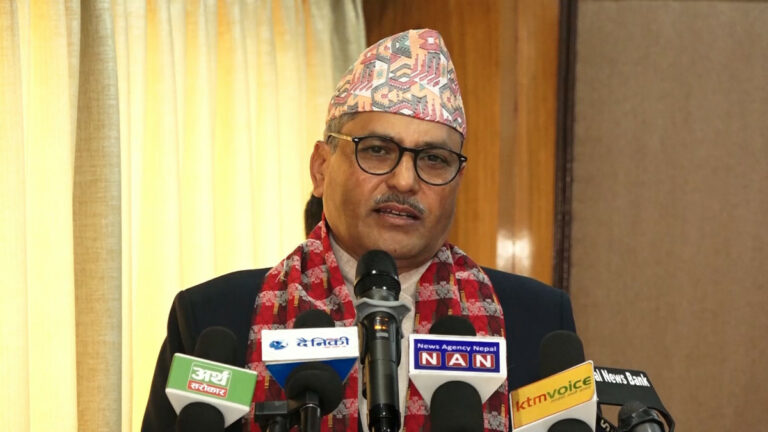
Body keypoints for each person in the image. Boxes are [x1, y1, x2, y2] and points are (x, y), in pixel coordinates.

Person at [142, 29, 576, 432]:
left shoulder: (536, 320)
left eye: (433, 159)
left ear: (457, 182)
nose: (405, 181)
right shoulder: (214, 316)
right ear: (321, 168)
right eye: (377, 150)